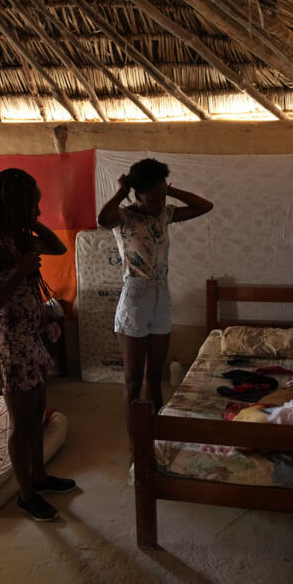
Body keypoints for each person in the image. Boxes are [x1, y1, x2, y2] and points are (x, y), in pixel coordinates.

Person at [0, 168, 73, 522]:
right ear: (13, 203)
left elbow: (58, 247)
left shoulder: (19, 236)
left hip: (32, 337)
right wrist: (19, 271)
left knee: (38, 413)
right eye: (32, 204)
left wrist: (31, 223)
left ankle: (40, 477)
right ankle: (26, 495)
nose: (38, 211)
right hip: (11, 344)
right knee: (21, 421)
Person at [97, 158, 214, 448]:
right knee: (133, 381)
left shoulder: (165, 214)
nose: (160, 203)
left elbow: (205, 206)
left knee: (155, 376)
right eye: (154, 197)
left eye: (163, 196)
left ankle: (155, 436)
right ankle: (137, 444)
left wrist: (170, 193)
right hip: (135, 299)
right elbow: (102, 220)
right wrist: (120, 193)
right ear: (137, 195)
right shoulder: (123, 218)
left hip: (162, 296)